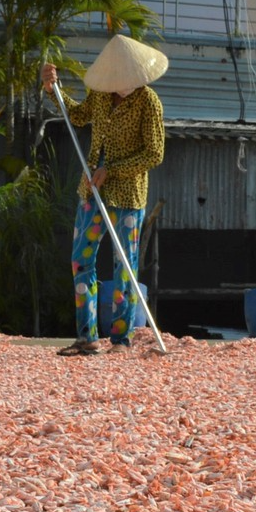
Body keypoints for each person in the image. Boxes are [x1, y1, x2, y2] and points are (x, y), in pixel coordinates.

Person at [41, 34, 168, 357]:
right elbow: (78, 117)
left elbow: (154, 153)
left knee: (124, 265)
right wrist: (53, 91)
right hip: (92, 190)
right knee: (81, 259)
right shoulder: (99, 95)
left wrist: (112, 169)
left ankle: (121, 340)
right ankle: (87, 337)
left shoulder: (148, 102)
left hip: (127, 194)